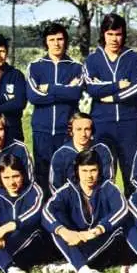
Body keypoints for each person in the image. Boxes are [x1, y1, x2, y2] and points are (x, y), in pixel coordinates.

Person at [42, 150, 129, 273]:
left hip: (100, 238)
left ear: (99, 170)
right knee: (56, 227)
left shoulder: (108, 187)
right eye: (84, 171)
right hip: (76, 238)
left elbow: (122, 209)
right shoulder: (68, 190)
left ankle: (73, 265)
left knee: (119, 230)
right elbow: (47, 211)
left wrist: (97, 230)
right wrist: (65, 232)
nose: (89, 176)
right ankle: (85, 271)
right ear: (77, 171)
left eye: (93, 170)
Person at [84, 13, 137, 198]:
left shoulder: (134, 58)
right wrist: (118, 85)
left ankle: (134, 219)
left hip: (129, 123)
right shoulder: (93, 59)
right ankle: (105, 220)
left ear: (123, 34)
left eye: (118, 34)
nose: (114, 39)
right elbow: (92, 89)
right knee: (103, 172)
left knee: (132, 174)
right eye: (110, 34)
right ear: (103, 34)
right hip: (102, 123)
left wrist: (112, 98)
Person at [26, 23, 84, 196]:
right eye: (52, 40)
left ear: (65, 41)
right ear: (46, 42)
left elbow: (75, 94)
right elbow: (34, 96)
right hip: (42, 130)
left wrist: (49, 88)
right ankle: (45, 216)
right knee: (42, 174)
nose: (56, 43)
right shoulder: (35, 67)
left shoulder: (76, 66)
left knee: (68, 172)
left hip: (66, 130)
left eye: (60, 39)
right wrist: (64, 89)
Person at [49, 112, 114, 194]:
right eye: (78, 129)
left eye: (87, 129)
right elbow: (55, 185)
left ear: (92, 131)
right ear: (71, 131)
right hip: (70, 202)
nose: (83, 134)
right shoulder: (61, 154)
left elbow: (108, 181)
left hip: (98, 199)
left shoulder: (102, 150)